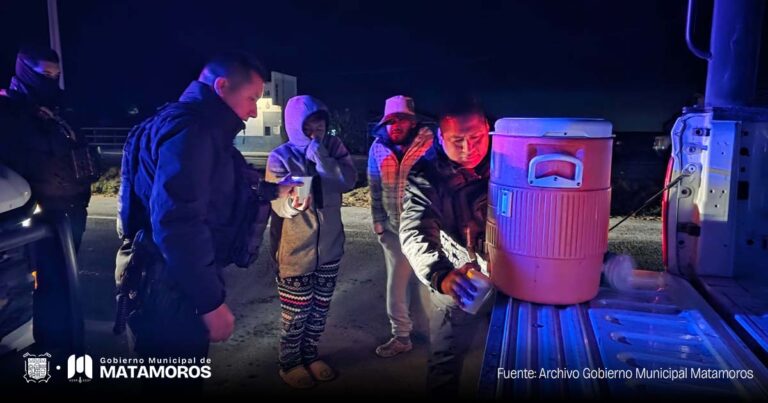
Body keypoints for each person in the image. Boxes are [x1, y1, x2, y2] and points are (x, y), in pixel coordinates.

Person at [115, 51, 296, 362]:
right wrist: (209, 302)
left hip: (163, 281)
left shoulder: (190, 124)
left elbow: (225, 183)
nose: (253, 112)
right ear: (222, 86)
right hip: (171, 291)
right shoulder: (193, 131)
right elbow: (177, 222)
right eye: (252, 98)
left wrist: (274, 190)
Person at [0, 45, 98, 353]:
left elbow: (77, 147)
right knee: (36, 291)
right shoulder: (9, 111)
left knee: (63, 286)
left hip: (69, 211)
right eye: (44, 75)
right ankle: (41, 356)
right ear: (26, 72)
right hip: (34, 220)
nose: (51, 81)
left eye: (55, 75)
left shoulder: (59, 108)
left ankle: (63, 351)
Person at [399, 98, 491, 397]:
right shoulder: (426, 175)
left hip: (514, 275)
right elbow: (415, 231)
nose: (469, 148)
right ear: (440, 136)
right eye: (457, 140)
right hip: (459, 279)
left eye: (476, 138)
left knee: (515, 351)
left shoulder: (509, 160)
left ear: (488, 129)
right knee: (445, 360)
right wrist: (440, 275)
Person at [266, 95, 357, 389]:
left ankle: (310, 354)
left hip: (330, 248)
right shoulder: (280, 156)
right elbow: (277, 203)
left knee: (319, 309)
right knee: (296, 313)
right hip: (294, 252)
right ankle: (289, 362)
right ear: (295, 126)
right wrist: (292, 203)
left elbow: (347, 181)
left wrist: (322, 158)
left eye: (320, 125)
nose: (315, 132)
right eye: (308, 127)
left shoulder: (333, 148)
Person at [368, 95, 433, 358]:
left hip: (426, 229)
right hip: (393, 229)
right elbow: (374, 188)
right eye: (391, 121)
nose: (396, 126)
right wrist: (378, 222)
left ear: (412, 122)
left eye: (402, 120)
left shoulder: (429, 145)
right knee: (396, 284)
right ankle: (401, 336)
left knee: (430, 282)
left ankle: (436, 333)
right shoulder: (377, 148)